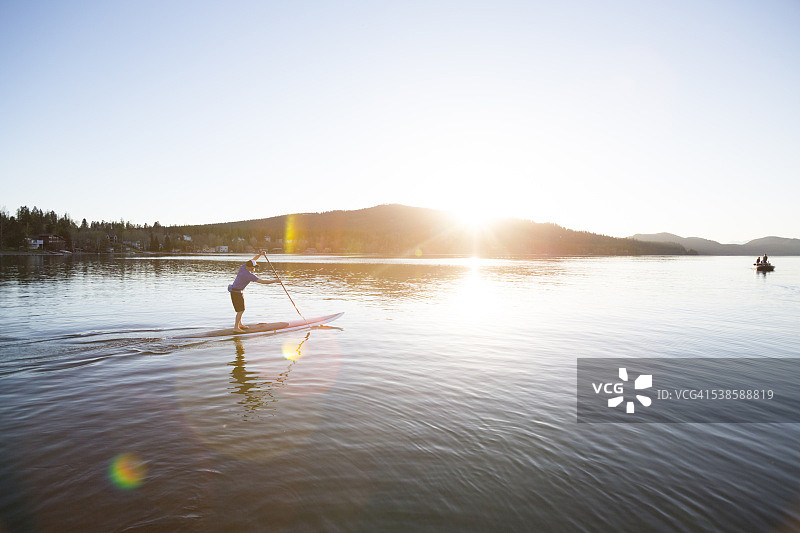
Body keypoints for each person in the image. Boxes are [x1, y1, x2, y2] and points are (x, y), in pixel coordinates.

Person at [228, 252, 279, 332]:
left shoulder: (243, 267)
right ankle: (236, 328)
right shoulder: (248, 275)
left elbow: (253, 259)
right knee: (240, 310)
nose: (254, 268)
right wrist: (275, 281)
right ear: (249, 267)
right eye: (253, 267)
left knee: (241, 309)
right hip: (236, 292)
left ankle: (240, 324)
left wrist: (260, 254)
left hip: (237, 292)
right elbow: (262, 282)